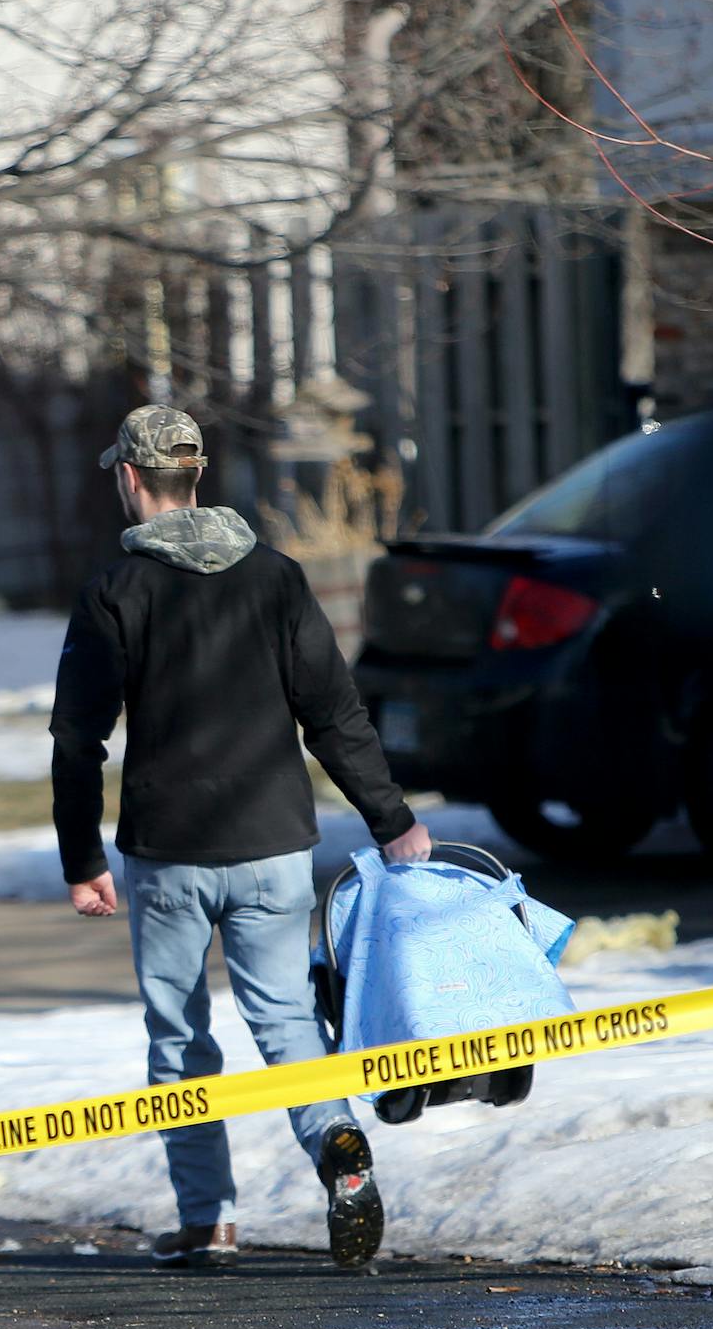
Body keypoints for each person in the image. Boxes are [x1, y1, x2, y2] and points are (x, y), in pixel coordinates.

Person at [50, 405, 432, 1271]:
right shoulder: (277, 578)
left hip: (169, 849)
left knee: (180, 1037)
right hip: (273, 843)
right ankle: (336, 1137)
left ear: (132, 479)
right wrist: (393, 819)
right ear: (198, 476)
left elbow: (77, 740)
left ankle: (208, 1219)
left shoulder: (117, 589)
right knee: (288, 1020)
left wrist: (82, 860)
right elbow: (333, 715)